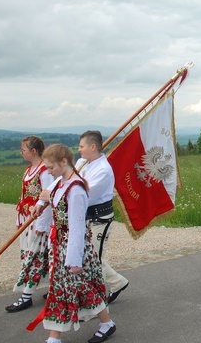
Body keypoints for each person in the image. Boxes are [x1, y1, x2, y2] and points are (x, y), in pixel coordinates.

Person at [29, 144, 116, 343]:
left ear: (64, 162)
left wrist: (74, 259)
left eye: (51, 168)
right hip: (60, 245)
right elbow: (49, 193)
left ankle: (106, 323)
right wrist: (40, 203)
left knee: (82, 287)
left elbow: (77, 227)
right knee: (61, 289)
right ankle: (55, 336)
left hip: (74, 249)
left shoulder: (76, 189)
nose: (48, 172)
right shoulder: (61, 181)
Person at [77, 130, 129, 303]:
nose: (79, 149)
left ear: (92, 147)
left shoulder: (103, 170)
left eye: (81, 146)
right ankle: (117, 282)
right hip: (86, 218)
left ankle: (96, 298)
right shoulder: (82, 163)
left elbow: (85, 195)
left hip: (100, 218)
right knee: (87, 257)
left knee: (94, 259)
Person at [6, 136, 54, 313]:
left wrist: (42, 225)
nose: (21, 152)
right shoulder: (28, 171)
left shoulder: (44, 171)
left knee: (34, 258)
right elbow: (23, 196)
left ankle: (26, 296)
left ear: (33, 151)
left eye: (23, 149)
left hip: (38, 222)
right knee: (36, 257)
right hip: (27, 220)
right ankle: (53, 289)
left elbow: (48, 199)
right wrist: (19, 219)